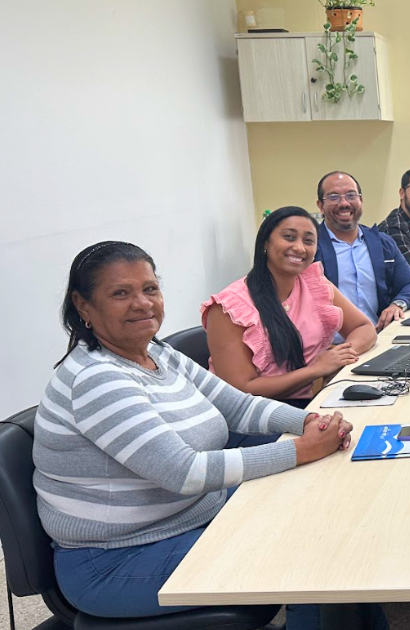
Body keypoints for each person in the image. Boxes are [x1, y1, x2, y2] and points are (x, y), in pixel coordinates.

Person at [33, 241, 388, 628]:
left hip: (191, 516)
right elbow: (183, 472)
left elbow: (239, 406)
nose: (142, 303)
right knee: (303, 555)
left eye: (150, 289)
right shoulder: (95, 379)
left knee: (323, 514)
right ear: (83, 306)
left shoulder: (158, 353)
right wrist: (302, 450)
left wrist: (308, 422)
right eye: (121, 293)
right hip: (117, 559)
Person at [203, 207, 378, 406]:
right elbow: (241, 390)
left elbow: (364, 328)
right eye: (289, 237)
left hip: (310, 400)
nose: (299, 248)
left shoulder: (314, 284)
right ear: (265, 242)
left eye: (309, 241)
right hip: (255, 413)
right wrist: (316, 370)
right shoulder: (229, 307)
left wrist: (338, 358)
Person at [313, 171, 410, 328]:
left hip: (377, 336)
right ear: (321, 206)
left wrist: (398, 304)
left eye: (351, 195)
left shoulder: (383, 243)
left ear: (361, 200)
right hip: (333, 342)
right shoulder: (310, 248)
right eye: (333, 197)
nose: (344, 203)